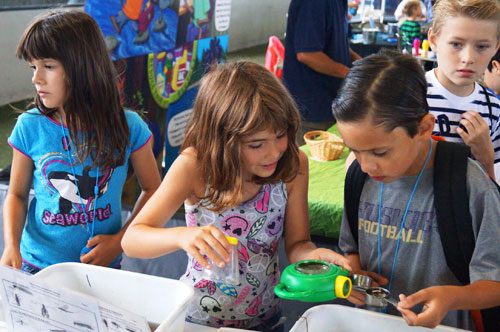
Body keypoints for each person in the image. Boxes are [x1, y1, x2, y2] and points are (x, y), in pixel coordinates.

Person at [121, 61, 350, 330]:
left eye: (280, 135)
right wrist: (182, 236)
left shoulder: (293, 163)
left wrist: (315, 257)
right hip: (199, 319)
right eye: (256, 144)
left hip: (266, 319)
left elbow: (298, 244)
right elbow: (133, 239)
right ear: (221, 140)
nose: (274, 152)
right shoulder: (194, 166)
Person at [332, 51, 500, 330]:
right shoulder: (359, 178)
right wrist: (355, 273)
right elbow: (351, 250)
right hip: (373, 322)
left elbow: (495, 283)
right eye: (354, 151)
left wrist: (453, 296)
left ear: (424, 127)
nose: (366, 165)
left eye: (380, 151)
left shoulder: (470, 186)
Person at [1, 10, 161, 274]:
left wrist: (120, 241)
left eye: (48, 67)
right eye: (33, 67)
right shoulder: (29, 126)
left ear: (82, 68)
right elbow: (17, 195)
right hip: (37, 266)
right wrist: (11, 246)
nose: (36, 78)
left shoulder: (129, 126)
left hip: (102, 269)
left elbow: (154, 189)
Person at [426, 0, 500, 183]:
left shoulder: (494, 108)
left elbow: (491, 191)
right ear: (434, 40)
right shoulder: (408, 94)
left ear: (495, 47)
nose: (468, 59)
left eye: (481, 47)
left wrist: (486, 157)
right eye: (456, 44)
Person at [283, 0, 361, 145]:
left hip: (330, 101)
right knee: (308, 161)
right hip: (310, 108)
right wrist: (350, 74)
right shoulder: (313, 3)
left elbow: (337, 44)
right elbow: (307, 54)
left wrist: (363, 64)